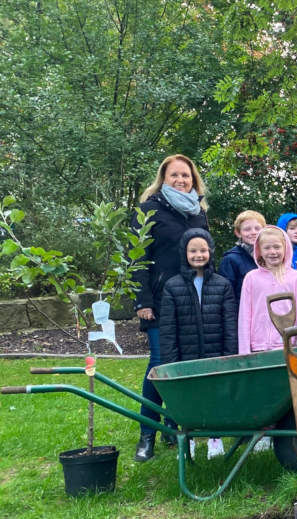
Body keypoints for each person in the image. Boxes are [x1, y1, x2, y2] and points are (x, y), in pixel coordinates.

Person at [131, 154, 209, 462]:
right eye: (174, 175)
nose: (181, 180)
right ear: (163, 178)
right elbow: (137, 257)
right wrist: (143, 301)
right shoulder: (149, 210)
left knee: (184, 363)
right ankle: (146, 435)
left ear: (193, 179)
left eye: (186, 176)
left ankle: (173, 426)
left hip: (191, 299)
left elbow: (205, 255)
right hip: (160, 301)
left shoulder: (198, 213)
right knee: (160, 364)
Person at [158, 228, 237, 461]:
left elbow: (230, 324)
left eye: (203, 250)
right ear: (184, 253)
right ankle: (188, 440)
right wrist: (171, 362)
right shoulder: (173, 286)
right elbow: (168, 329)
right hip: (186, 355)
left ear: (210, 252)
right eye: (193, 251)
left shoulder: (222, 285)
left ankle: (215, 438)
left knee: (214, 398)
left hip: (215, 355)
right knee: (188, 402)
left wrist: (228, 356)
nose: (198, 255)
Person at [238, 225, 297, 355]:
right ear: (259, 250)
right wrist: (244, 351)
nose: (272, 252)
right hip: (258, 346)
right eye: (267, 248)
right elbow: (245, 316)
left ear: (285, 248)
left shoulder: (295, 277)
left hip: (288, 345)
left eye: (277, 247)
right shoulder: (251, 278)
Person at [219, 210, 266, 307]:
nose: (253, 232)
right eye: (247, 229)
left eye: (257, 228)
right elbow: (226, 296)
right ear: (238, 233)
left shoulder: (269, 256)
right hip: (242, 314)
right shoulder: (230, 260)